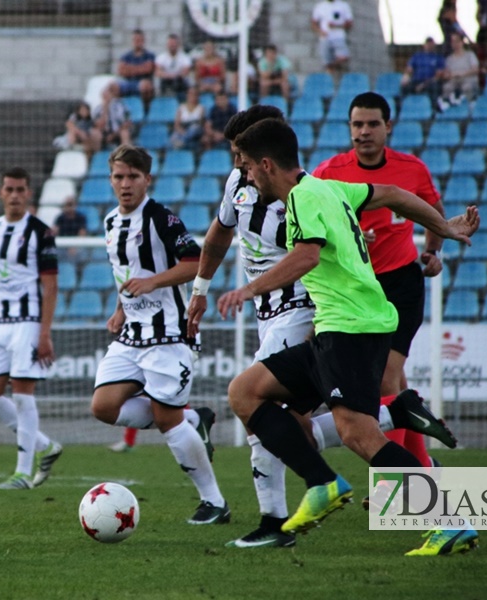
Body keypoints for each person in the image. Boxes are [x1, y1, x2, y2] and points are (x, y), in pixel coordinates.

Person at [187, 104, 457, 549]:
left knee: (354, 433)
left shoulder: (304, 196)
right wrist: (442, 225)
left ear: (266, 161)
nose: (244, 171)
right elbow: (389, 193)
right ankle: (343, 466)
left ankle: (289, 514)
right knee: (254, 398)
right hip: (342, 326)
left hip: (341, 325)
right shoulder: (324, 188)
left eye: (248, 162)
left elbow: (308, 255)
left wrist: (247, 290)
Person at [92, 144, 228, 525]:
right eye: (119, 177)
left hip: (168, 334)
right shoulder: (109, 222)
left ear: (147, 179)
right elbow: (125, 275)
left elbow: (195, 263)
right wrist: (120, 308)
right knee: (103, 407)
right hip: (132, 335)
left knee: (166, 421)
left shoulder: (161, 218)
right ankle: (190, 418)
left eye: (133, 177)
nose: (125, 184)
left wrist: (153, 282)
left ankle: (215, 502)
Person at [313, 92, 447, 475]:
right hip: (357, 288)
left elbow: (433, 212)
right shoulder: (329, 172)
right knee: (397, 383)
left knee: (386, 375)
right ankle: (422, 468)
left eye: (372, 124)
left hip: (401, 282)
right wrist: (348, 234)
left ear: (388, 127)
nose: (364, 132)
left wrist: (432, 251)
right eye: (357, 125)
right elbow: (315, 223)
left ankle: (392, 479)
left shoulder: (412, 169)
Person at [0, 167, 64, 490]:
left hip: (27, 322)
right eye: (9, 189)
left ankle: (23, 473)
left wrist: (45, 332)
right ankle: (46, 447)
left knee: (23, 395)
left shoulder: (41, 232)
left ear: (29, 193)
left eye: (20, 189)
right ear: (1, 192)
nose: (14, 195)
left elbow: (50, 286)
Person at [311, 0, 354, 75]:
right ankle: (330, 77)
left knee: (344, 57)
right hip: (325, 38)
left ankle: (333, 67)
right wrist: (320, 31)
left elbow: (350, 24)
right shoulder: (320, 6)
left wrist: (336, 26)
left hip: (338, 37)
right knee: (327, 62)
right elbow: (314, 23)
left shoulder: (343, 5)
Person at [440, 32, 481, 108]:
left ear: (462, 42)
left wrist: (462, 74)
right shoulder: (449, 59)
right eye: (452, 42)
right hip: (454, 81)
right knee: (447, 87)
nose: (454, 44)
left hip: (468, 80)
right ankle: (447, 106)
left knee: (467, 87)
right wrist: (447, 75)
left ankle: (470, 106)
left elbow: (476, 70)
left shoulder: (470, 55)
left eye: (457, 41)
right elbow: (446, 73)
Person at [117, 29, 156, 107]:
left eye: (139, 40)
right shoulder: (126, 56)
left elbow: (148, 69)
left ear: (143, 41)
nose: (137, 42)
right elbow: (121, 71)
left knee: (145, 86)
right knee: (111, 87)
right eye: (135, 40)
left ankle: (144, 111)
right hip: (128, 83)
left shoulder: (149, 56)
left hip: (144, 83)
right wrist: (141, 68)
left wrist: (129, 69)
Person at [400, 37, 446, 101]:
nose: (429, 46)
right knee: (405, 87)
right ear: (424, 45)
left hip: (430, 82)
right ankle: (401, 108)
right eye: (428, 44)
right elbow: (409, 69)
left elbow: (438, 76)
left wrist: (423, 85)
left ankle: (433, 109)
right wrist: (406, 76)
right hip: (416, 81)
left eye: (431, 44)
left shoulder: (438, 57)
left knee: (435, 88)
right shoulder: (417, 56)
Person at [92, 81, 133, 149]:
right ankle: (94, 157)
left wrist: (114, 135)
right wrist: (105, 109)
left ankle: (125, 155)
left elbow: (127, 123)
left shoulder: (121, 106)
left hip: (118, 132)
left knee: (124, 133)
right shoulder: (98, 109)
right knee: (95, 133)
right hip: (104, 134)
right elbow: (98, 125)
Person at [155, 33, 192, 97]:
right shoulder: (161, 57)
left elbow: (186, 72)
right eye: (170, 43)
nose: (172, 45)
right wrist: (170, 76)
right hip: (166, 80)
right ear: (167, 44)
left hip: (180, 81)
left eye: (174, 43)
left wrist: (175, 76)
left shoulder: (185, 57)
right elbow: (158, 72)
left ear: (178, 44)